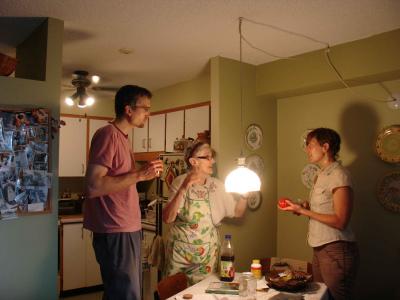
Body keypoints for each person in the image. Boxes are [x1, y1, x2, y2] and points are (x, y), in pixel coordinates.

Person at [84, 85, 163, 300]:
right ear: (129, 110)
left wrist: (140, 175)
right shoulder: (107, 135)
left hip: (125, 228)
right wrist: (139, 175)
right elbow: (93, 186)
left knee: (122, 293)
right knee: (125, 295)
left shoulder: (122, 138)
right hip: (115, 228)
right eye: (145, 108)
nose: (148, 114)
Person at [278, 128, 359, 300]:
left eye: (310, 145)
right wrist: (302, 207)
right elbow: (323, 209)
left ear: (325, 147)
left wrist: (303, 210)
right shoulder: (320, 174)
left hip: (337, 248)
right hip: (319, 248)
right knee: (320, 296)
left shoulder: (339, 175)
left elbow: (340, 221)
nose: (306, 150)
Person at [162, 141, 248, 285]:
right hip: (180, 256)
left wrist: (245, 194)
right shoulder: (179, 182)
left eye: (212, 156)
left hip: (207, 257)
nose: (212, 160)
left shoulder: (217, 185)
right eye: (207, 157)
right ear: (193, 161)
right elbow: (167, 218)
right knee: (175, 293)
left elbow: (237, 212)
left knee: (204, 293)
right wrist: (184, 188)